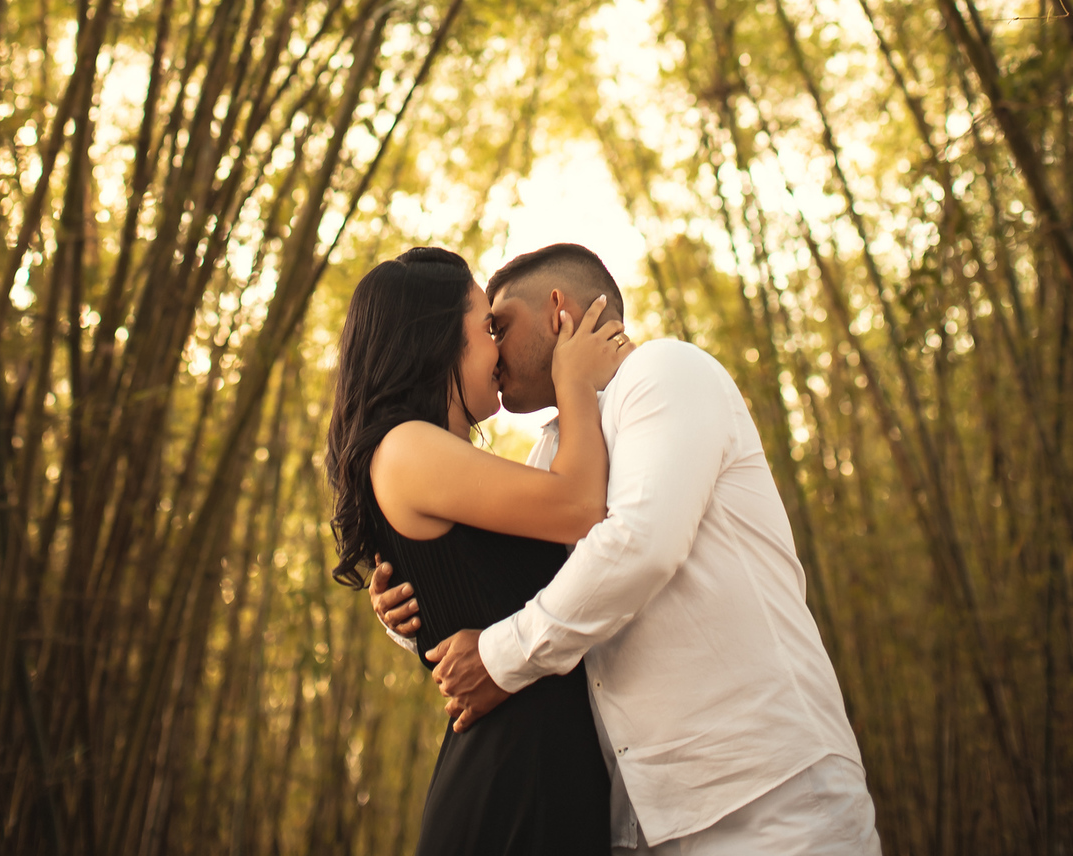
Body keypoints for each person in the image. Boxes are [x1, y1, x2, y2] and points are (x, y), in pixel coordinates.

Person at [372, 242, 882, 856]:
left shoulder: (665, 374)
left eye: (499, 326)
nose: (493, 351)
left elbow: (639, 545)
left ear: (559, 311)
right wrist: (410, 607)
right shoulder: (557, 454)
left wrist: (499, 660)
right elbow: (527, 588)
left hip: (767, 797)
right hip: (642, 820)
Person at [326, 243, 634, 855]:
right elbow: (580, 509)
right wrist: (573, 380)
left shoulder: (432, 459)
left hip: (544, 774)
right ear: (439, 339)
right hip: (513, 787)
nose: (498, 347)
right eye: (486, 326)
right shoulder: (408, 447)